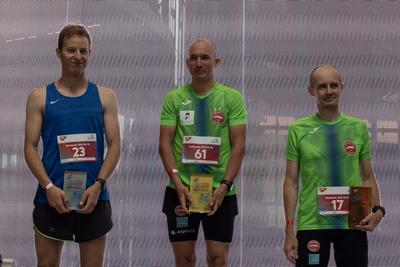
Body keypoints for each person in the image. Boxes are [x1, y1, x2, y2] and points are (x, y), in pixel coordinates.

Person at [24, 24, 121, 267]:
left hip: (94, 198)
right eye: (71, 50)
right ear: (58, 52)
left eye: (83, 51)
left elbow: (115, 145)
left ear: (90, 53)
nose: (78, 57)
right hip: (52, 198)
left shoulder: (105, 96)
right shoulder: (39, 97)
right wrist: (48, 187)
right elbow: (29, 147)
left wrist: (98, 185)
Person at [283, 65, 385, 267]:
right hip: (312, 224)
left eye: (333, 85)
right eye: (322, 86)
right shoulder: (298, 129)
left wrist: (378, 210)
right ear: (311, 90)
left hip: (353, 223)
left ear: (342, 87)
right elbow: (291, 182)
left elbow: (367, 175)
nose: (329, 91)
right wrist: (288, 230)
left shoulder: (358, 128)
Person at [159, 39, 247, 267]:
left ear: (216, 62)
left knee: (218, 259)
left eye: (205, 57)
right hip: (181, 192)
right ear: (187, 63)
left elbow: (239, 146)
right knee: (184, 259)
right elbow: (165, 144)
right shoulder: (174, 99)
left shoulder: (232, 98)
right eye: (194, 58)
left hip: (221, 193)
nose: (199, 63)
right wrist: (178, 183)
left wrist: (224, 186)